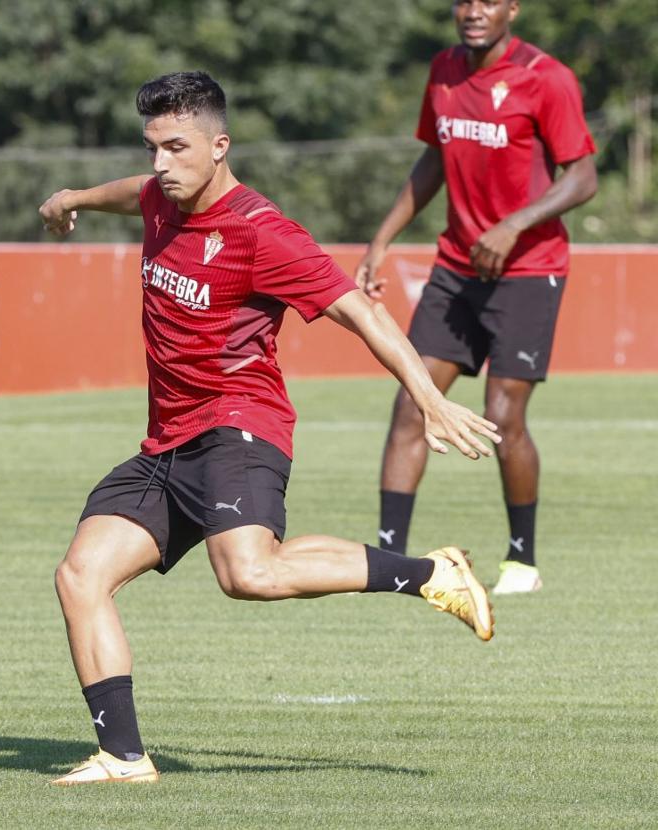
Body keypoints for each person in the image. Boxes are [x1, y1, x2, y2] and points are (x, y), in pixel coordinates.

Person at [38, 70, 501, 787]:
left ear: (219, 146)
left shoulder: (263, 233)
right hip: (167, 441)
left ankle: (431, 573)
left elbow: (361, 312)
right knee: (79, 576)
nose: (161, 164)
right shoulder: (162, 195)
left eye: (177, 147)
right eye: (153, 146)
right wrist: (73, 200)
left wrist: (428, 399)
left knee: (249, 574)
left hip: (239, 426)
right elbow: (131, 193)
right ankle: (124, 758)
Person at [354, 0, 597, 595]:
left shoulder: (548, 77)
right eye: (464, 0)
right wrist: (381, 241)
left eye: (489, 0)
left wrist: (515, 224)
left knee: (503, 416)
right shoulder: (443, 70)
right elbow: (433, 160)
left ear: (513, 9)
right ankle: (390, 562)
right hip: (456, 269)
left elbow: (583, 176)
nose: (474, 11)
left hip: (529, 271)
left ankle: (521, 561)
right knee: (413, 402)